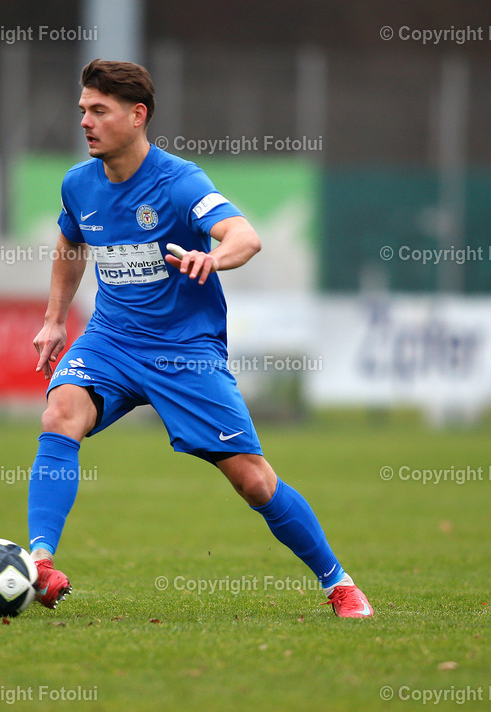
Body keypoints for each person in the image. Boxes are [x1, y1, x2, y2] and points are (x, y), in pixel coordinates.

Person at [26, 59, 373, 618]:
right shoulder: (78, 183)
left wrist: (210, 257)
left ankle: (338, 583)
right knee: (60, 411)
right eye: (83, 110)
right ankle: (38, 563)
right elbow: (71, 245)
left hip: (184, 354)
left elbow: (246, 236)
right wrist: (54, 319)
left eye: (99, 111)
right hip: (110, 342)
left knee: (254, 481)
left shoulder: (179, 181)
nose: (86, 122)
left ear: (136, 116)